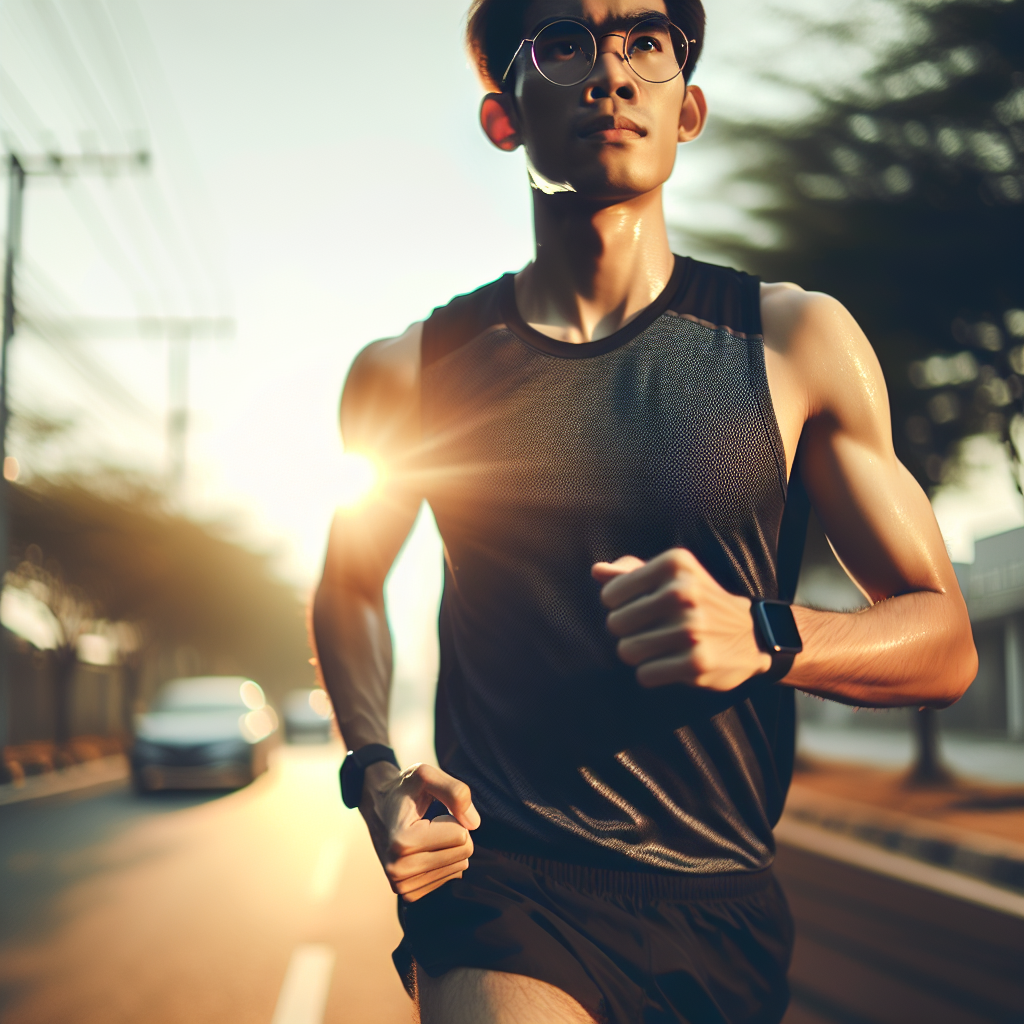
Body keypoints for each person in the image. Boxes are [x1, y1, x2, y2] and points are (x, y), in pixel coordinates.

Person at [311, 0, 977, 1020]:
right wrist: (373, 770)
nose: (610, 73)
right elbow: (350, 585)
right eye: (567, 42)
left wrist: (765, 634)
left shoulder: (794, 343)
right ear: (504, 116)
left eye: (644, 42)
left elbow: (943, 642)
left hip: (722, 906)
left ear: (687, 106)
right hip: (505, 883)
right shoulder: (408, 373)